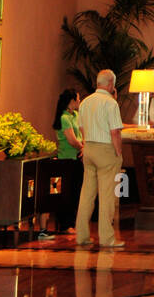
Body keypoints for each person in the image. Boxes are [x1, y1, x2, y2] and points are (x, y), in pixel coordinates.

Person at [75, 70, 126, 250]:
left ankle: (81, 235)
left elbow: (81, 128)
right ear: (111, 84)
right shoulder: (111, 104)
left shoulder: (85, 102)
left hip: (88, 148)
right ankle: (107, 239)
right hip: (106, 150)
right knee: (107, 196)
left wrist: (87, 145)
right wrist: (118, 152)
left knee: (87, 194)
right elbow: (115, 132)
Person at [52, 88, 83, 233]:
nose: (79, 102)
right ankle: (66, 224)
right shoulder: (64, 118)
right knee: (67, 192)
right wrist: (82, 147)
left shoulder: (75, 115)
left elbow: (82, 131)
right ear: (71, 101)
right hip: (67, 159)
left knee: (76, 191)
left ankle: (73, 222)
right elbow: (71, 139)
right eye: (78, 99)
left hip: (77, 157)